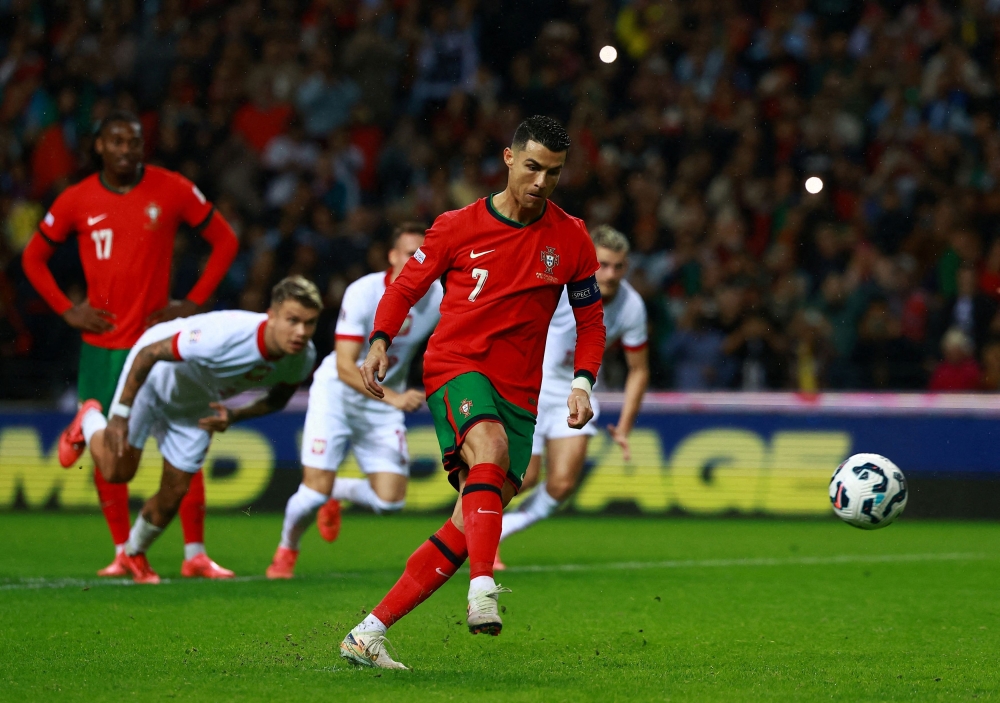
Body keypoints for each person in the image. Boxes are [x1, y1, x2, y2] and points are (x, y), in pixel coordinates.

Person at [339, 115, 606, 670]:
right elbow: (406, 285)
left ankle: (368, 633)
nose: (540, 182)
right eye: (532, 167)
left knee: (467, 524)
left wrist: (583, 381)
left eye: (552, 173)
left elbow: (590, 321)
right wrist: (381, 340)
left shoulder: (572, 237)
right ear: (508, 159)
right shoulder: (457, 226)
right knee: (488, 449)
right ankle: (484, 587)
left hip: (520, 393)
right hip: (457, 366)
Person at [21, 110, 240, 578]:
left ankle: (194, 554)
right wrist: (66, 309)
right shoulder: (76, 199)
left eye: (134, 141)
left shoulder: (173, 188)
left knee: (188, 436)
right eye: (116, 141)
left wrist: (193, 302)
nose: (126, 149)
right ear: (98, 146)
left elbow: (225, 240)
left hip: (160, 344)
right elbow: (33, 257)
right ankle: (123, 549)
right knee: (113, 452)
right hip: (103, 347)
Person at [57, 277, 320, 584]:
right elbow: (149, 354)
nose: (301, 332)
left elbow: (278, 399)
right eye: (293, 321)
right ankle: (88, 418)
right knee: (117, 471)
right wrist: (119, 416)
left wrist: (234, 415)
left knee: (174, 493)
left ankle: (133, 553)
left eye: (310, 323)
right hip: (154, 380)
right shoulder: (224, 335)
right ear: (271, 315)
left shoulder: (303, 358)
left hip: (195, 405)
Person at [266, 224, 442, 579]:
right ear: (392, 257)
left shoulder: (438, 298)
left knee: (391, 502)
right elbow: (347, 365)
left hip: (380, 405)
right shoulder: (363, 293)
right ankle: (287, 550)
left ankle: (338, 491)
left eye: (424, 255)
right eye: (410, 253)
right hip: (339, 394)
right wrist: (394, 396)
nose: (417, 260)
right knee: (313, 492)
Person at [496, 225, 648, 565]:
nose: (610, 274)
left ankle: (496, 531)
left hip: (576, 392)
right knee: (526, 476)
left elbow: (639, 369)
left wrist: (624, 426)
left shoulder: (632, 306)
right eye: (604, 264)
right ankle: (477, 530)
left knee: (562, 484)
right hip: (530, 385)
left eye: (618, 267)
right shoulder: (560, 286)